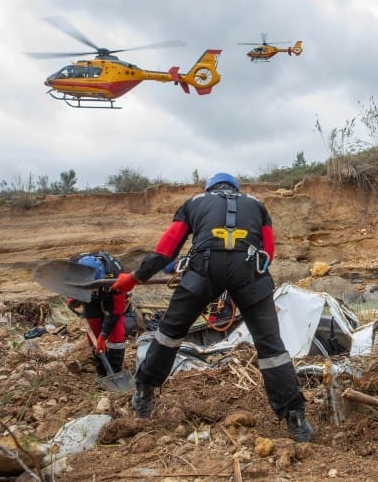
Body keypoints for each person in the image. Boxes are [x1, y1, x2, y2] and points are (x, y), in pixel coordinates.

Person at [110, 172, 314, 442]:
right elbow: (269, 253)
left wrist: (135, 277)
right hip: (249, 274)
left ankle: (144, 392)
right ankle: (295, 418)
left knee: (169, 333)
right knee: (271, 347)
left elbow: (165, 251)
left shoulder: (193, 202)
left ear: (209, 188)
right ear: (236, 189)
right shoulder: (257, 205)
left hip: (203, 272)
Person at [66, 252, 130, 382]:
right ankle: (101, 371)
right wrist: (74, 296)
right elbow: (68, 284)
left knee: (116, 332)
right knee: (93, 327)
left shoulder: (116, 275)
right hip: (90, 297)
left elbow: (115, 312)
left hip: (111, 293)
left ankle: (115, 371)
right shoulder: (74, 265)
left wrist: (103, 335)